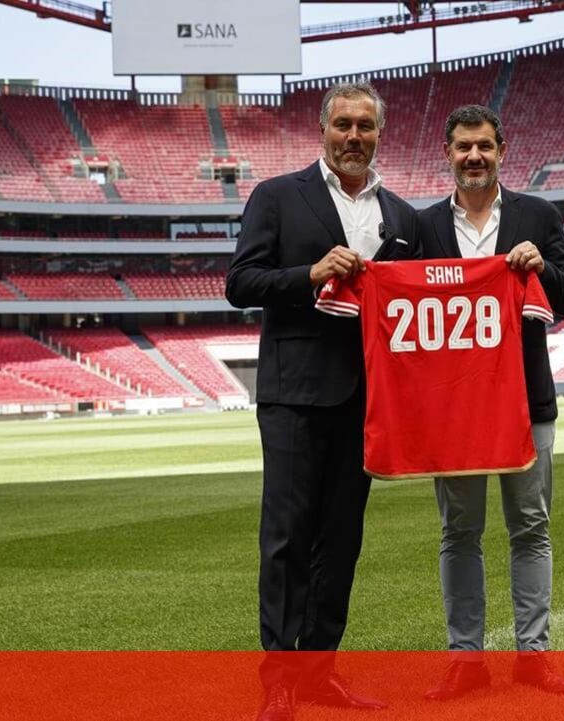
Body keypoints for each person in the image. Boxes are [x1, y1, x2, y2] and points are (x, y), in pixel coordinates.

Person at [225, 81, 420, 720]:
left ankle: (319, 672)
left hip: (368, 399)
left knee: (340, 541)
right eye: (343, 125)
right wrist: (309, 275)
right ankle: (279, 680)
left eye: (365, 126)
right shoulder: (278, 196)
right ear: (323, 130)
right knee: (287, 538)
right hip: (295, 394)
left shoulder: (403, 217)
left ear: (379, 133)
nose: (353, 136)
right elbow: (240, 282)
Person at [417, 104, 564, 700]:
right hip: (454, 409)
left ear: (501, 151)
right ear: (448, 152)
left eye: (484, 145)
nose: (474, 156)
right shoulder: (421, 227)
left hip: (526, 401)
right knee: (459, 532)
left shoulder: (537, 216)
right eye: (464, 146)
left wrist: (542, 267)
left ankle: (533, 655)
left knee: (531, 528)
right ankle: (466, 660)